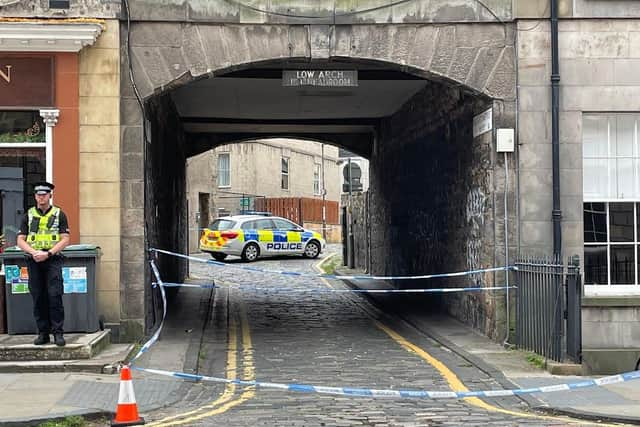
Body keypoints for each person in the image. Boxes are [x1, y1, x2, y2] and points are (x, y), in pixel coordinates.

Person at [16, 182, 70, 346]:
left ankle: (58, 333)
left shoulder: (59, 214)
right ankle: (43, 333)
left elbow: (65, 239)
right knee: (38, 298)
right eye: (38, 195)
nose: (41, 197)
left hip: (51, 259)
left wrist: (48, 253)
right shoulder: (28, 215)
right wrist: (34, 253)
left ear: (50, 196)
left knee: (55, 297)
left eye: (44, 194)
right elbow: (20, 240)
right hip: (34, 260)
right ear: (35, 196)